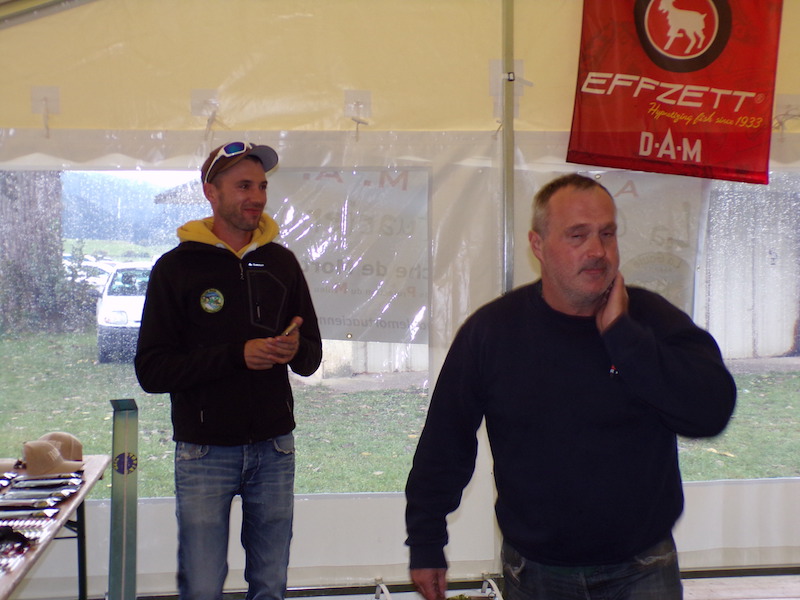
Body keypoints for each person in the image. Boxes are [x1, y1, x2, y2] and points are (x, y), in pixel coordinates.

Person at [404, 173, 736, 600]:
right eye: (577, 235)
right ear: (538, 245)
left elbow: (710, 412)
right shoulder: (492, 332)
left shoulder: (650, 319)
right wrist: (426, 541)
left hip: (642, 567)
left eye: (607, 234)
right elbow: (445, 442)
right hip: (537, 571)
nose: (597, 251)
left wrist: (623, 335)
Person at [135, 141, 322, 600]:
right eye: (243, 186)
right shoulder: (174, 269)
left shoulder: (281, 262)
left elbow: (311, 357)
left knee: (270, 585)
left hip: (274, 449)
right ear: (211, 192)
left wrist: (293, 348)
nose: (256, 197)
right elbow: (152, 371)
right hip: (204, 453)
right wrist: (238, 355)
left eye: (261, 186)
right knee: (201, 588)